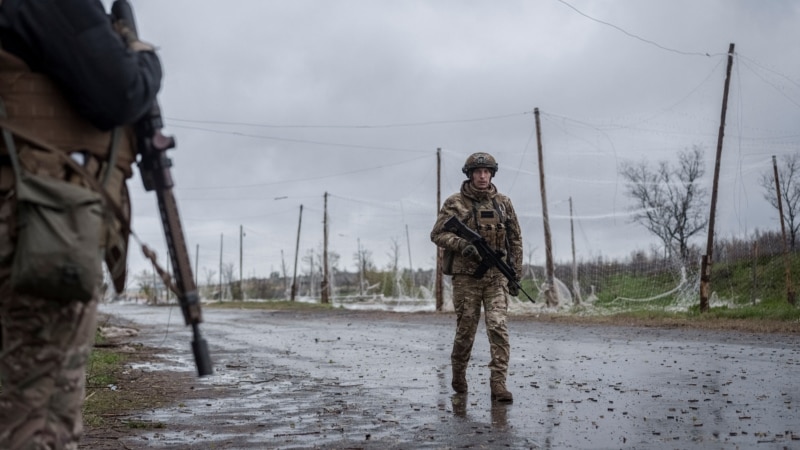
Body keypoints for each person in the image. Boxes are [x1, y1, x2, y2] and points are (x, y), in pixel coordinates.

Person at [0, 1, 162, 447]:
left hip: (37, 215)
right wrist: (144, 54)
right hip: (37, 218)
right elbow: (120, 90)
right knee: (37, 415)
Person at [430, 152, 523, 403]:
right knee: (466, 329)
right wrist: (462, 245)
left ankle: (498, 384)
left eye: (486, 172)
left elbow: (515, 239)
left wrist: (515, 274)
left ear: (492, 174)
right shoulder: (455, 203)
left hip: (496, 277)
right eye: (477, 172)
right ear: (469, 174)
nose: (482, 176)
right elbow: (437, 234)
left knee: (498, 327)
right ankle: (459, 374)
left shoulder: (503, 203)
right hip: (466, 278)